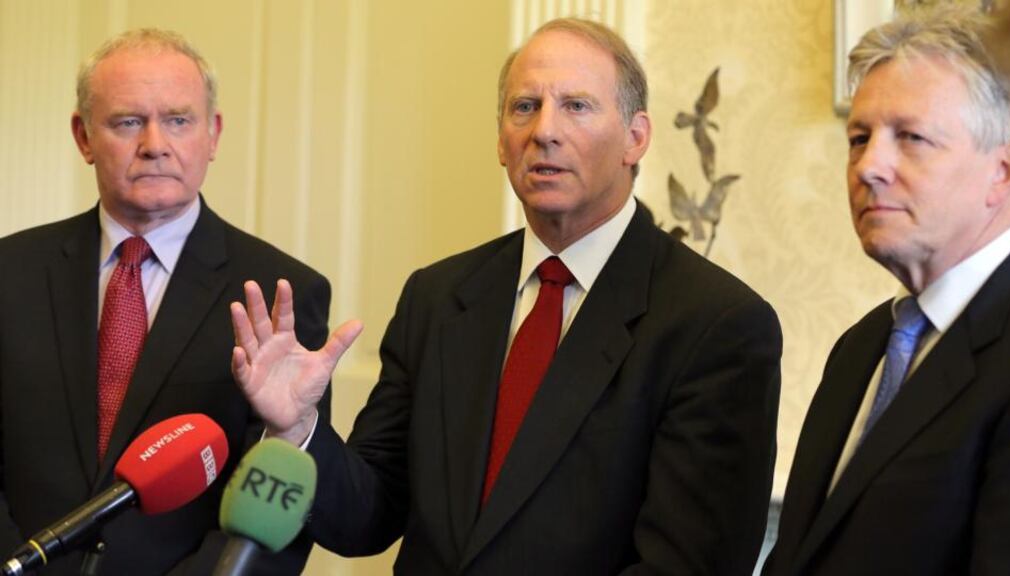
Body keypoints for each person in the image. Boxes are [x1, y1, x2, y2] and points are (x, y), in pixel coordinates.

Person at [233, 18, 782, 574]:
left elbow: (687, 564)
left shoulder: (716, 324)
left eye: (577, 106)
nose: (544, 130)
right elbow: (369, 515)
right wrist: (298, 430)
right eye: (524, 107)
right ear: (500, 141)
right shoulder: (438, 297)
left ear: (636, 138)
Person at [0, 29, 330, 575]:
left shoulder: (281, 292)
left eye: (179, 120)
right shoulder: (10, 273)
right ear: (83, 137)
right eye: (128, 121)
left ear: (213, 133)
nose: (155, 143)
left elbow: (278, 503)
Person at [765, 7, 1010, 575]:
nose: (869, 167)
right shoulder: (863, 348)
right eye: (859, 138)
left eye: (911, 137)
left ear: (1003, 171)